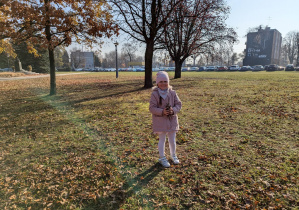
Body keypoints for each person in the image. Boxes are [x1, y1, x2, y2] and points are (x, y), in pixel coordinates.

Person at [149, 71, 182, 167]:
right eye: (161, 81)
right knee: (162, 139)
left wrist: (173, 110)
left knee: (172, 139)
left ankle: (173, 155)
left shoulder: (172, 93)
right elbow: (152, 108)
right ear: (157, 83)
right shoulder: (155, 94)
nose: (163, 84)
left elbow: (178, 104)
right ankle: (162, 157)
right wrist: (161, 112)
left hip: (172, 120)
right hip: (160, 121)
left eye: (165, 81)